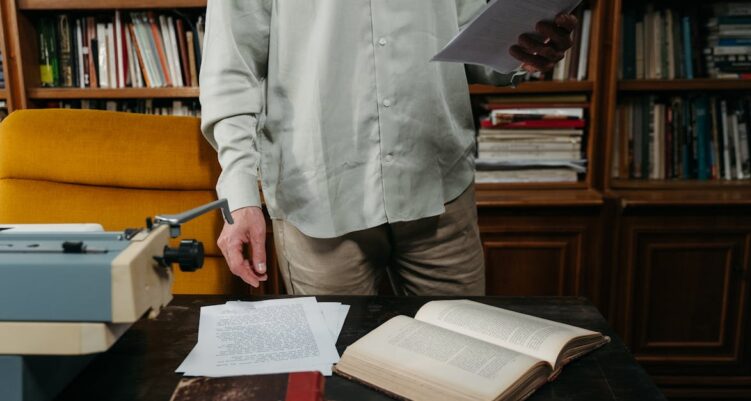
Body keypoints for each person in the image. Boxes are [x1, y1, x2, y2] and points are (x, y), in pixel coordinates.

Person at [200, 1, 577, 295]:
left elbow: (467, 37)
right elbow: (232, 71)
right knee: (337, 363)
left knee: (460, 356)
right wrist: (241, 195)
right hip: (319, 200)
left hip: (439, 186)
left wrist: (524, 50)